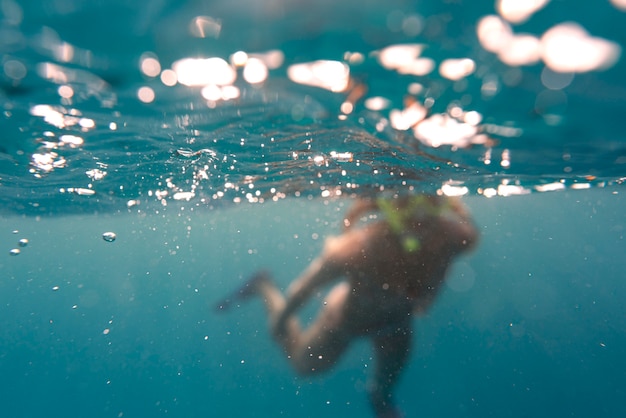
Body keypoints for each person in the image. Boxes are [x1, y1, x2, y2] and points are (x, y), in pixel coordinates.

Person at [215, 194, 478, 417]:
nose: (420, 219)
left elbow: (467, 233)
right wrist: (281, 320)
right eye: (409, 209)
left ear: (442, 206)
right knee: (303, 366)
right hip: (343, 323)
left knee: (384, 389)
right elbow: (305, 287)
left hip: (396, 326)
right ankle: (263, 286)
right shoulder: (360, 247)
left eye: (430, 207)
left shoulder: (453, 237)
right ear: (389, 208)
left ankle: (380, 398)